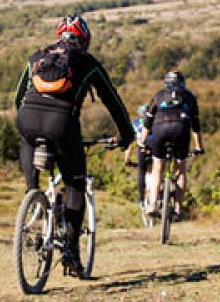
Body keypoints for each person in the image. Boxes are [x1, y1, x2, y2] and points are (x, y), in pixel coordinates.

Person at [14, 14, 134, 277]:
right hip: (62, 124)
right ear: (84, 41)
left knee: (27, 138)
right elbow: (113, 101)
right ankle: (70, 250)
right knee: (75, 184)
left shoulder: (37, 56)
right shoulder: (87, 62)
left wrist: (29, 118)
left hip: (27, 120)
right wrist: (127, 136)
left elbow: (17, 97)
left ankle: (32, 194)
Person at [141, 70, 204, 221]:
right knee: (181, 168)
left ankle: (153, 203)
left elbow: (147, 122)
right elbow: (196, 125)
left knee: (157, 169)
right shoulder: (189, 96)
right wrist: (199, 146)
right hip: (181, 129)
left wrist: (143, 143)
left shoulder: (158, 95)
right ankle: (178, 207)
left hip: (160, 129)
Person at [124, 104, 154, 212]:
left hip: (142, 149)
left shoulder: (135, 123)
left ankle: (141, 199)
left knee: (141, 172)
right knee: (154, 171)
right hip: (155, 148)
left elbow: (130, 144)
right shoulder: (154, 121)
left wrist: (127, 160)